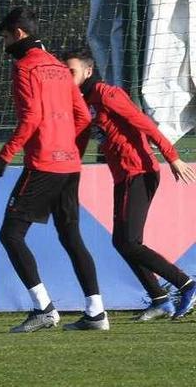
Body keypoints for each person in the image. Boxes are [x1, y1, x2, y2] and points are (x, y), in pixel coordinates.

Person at [0, 8, 106, 332]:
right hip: (68, 165)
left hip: (44, 165)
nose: (5, 44)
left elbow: (31, 118)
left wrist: (2, 157)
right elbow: (82, 116)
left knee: (11, 235)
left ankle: (44, 309)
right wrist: (70, 152)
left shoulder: (25, 68)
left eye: (6, 37)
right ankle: (96, 312)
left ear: (19, 35)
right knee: (71, 236)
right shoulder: (57, 66)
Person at [65, 49, 196, 320]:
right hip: (124, 175)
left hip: (138, 172)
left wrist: (172, 157)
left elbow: (144, 123)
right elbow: (81, 138)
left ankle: (186, 284)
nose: (67, 77)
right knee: (123, 242)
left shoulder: (106, 94)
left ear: (88, 71)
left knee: (129, 242)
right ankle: (159, 298)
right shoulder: (84, 101)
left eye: (71, 72)